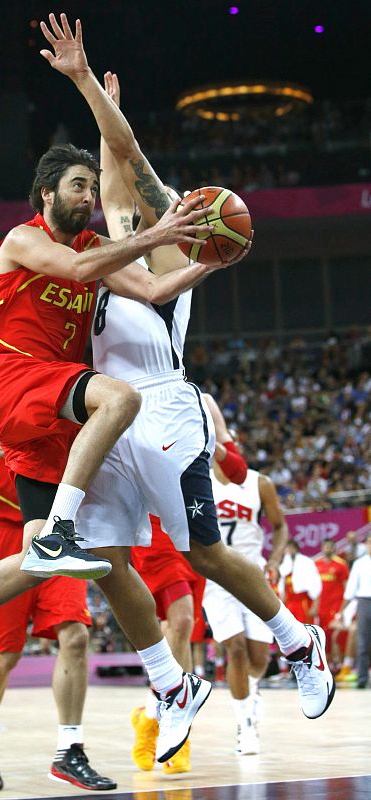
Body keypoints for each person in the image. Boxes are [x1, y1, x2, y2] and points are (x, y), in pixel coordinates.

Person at [0, 100, 220, 768]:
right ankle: (64, 527)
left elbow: (151, 291)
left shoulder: (97, 244)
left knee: (97, 560)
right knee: (117, 397)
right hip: (14, 380)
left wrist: (214, 258)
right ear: (45, 195)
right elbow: (77, 273)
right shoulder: (23, 239)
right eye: (77, 186)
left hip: (53, 412)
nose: (89, 196)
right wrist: (157, 232)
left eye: (93, 187)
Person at [43, 11, 334, 746]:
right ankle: (172, 684)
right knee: (102, 557)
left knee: (204, 552)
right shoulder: (116, 236)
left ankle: (299, 642)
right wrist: (93, 97)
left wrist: (83, 81)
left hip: (165, 407)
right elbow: (115, 153)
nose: (145, 194)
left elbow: (129, 154)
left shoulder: (178, 241)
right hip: (109, 413)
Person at [0, 398, 115, 792]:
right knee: (4, 656)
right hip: (0, 534)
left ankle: (70, 750)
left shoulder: (67, 399)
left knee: (76, 635)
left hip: (53, 531)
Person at [130, 396, 248, 774]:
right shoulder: (126, 394)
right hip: (151, 524)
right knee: (179, 621)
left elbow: (238, 473)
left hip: (193, 519)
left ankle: (151, 715)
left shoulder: (204, 402)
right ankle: (174, 725)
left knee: (177, 629)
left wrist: (213, 446)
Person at [203, 460, 288, 755]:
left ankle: (252, 689)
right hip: (215, 579)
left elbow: (280, 527)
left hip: (254, 573)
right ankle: (246, 726)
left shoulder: (259, 483)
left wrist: (275, 560)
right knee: (235, 648)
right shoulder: (198, 479)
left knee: (259, 657)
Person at [338, 532, 371, 688]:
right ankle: (362, 678)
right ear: (366, 545)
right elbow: (350, 589)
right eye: (369, 543)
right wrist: (341, 610)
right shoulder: (360, 563)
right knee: (362, 641)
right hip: (364, 601)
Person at [315, 538, 350, 669]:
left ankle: (338, 663)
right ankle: (326, 663)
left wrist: (343, 609)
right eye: (325, 546)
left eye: (330, 547)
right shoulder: (316, 564)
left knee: (335, 634)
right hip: (320, 607)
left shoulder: (341, 564)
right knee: (322, 636)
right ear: (322, 548)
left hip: (335, 606)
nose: (327, 549)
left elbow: (347, 587)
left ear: (334, 548)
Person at [279, 540, 322, 624]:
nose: (288, 550)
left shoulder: (306, 562)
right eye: (287, 548)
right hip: (289, 602)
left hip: (303, 602)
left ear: (295, 548)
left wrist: (315, 606)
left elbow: (316, 584)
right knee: (289, 627)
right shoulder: (284, 565)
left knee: (305, 627)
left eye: (290, 548)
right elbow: (282, 587)